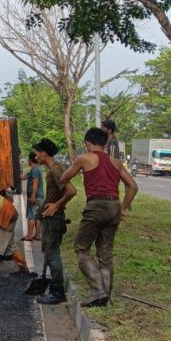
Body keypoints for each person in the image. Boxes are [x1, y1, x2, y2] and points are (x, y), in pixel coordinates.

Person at [58, 127, 137, 307]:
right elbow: (133, 186)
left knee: (82, 248)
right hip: (114, 206)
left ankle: (97, 291)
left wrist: (64, 181)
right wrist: (123, 208)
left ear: (87, 143)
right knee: (105, 253)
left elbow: (64, 177)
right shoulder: (115, 162)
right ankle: (105, 296)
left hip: (96, 206)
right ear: (106, 143)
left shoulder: (85, 158)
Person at [34, 139, 77, 305]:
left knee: (53, 256)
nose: (36, 155)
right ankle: (55, 289)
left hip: (54, 219)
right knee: (50, 254)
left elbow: (72, 191)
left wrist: (56, 206)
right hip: (51, 219)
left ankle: (57, 293)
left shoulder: (56, 170)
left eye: (38, 152)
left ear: (44, 153)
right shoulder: (52, 169)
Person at [21, 152, 45, 241]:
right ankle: (37, 235)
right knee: (38, 216)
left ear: (30, 160)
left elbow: (35, 183)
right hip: (40, 196)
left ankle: (29, 236)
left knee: (31, 216)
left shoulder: (34, 170)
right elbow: (24, 177)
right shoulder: (36, 169)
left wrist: (33, 195)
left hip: (35, 196)